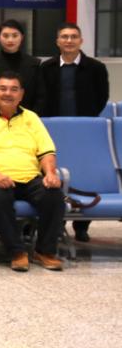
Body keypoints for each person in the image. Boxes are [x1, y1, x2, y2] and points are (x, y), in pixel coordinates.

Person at [0, 70, 65, 272]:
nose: (7, 93)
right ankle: (16, 252)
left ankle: (45, 251)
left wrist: (50, 174)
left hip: (30, 177)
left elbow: (47, 152)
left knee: (54, 196)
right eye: (3, 88)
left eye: (13, 89)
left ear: (21, 94)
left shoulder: (32, 118)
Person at [37, 22, 109, 241]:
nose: (69, 41)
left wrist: (85, 120)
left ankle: (82, 225)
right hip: (54, 131)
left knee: (84, 175)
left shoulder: (96, 68)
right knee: (55, 174)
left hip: (84, 131)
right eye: (65, 37)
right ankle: (57, 223)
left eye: (73, 37)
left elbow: (102, 97)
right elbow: (41, 96)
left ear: (81, 41)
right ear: (57, 41)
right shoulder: (47, 67)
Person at [0, 19, 43, 112]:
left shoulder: (34, 64)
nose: (10, 40)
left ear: (22, 37)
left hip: (28, 117)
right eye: (5, 36)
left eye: (15, 36)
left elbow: (40, 97)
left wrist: (33, 116)